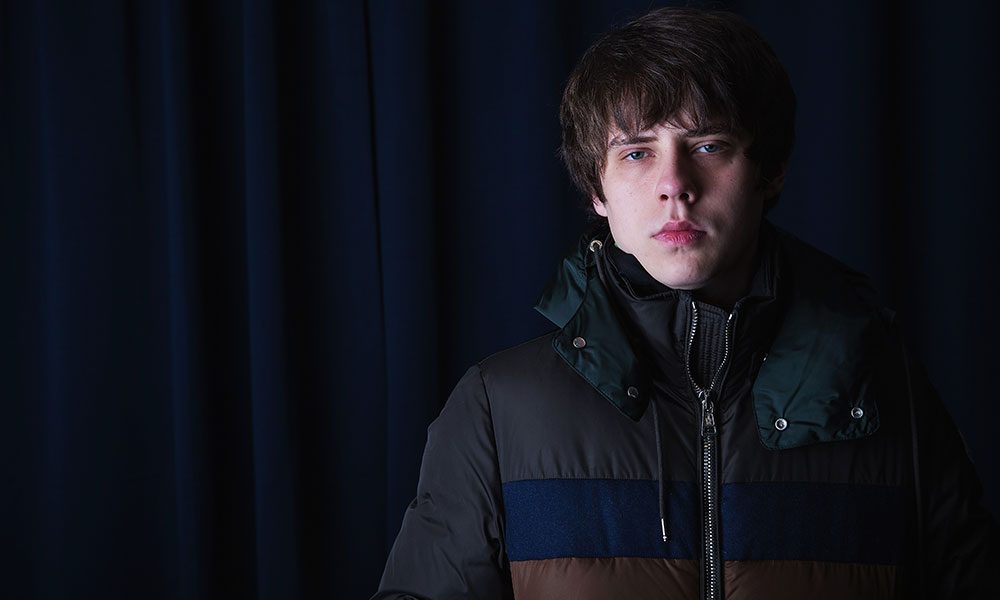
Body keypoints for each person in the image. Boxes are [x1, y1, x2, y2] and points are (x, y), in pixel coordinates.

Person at [373, 7, 999, 599]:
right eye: (638, 152)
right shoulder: (495, 411)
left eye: (708, 145)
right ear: (598, 189)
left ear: (769, 169)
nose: (675, 186)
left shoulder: (893, 400)